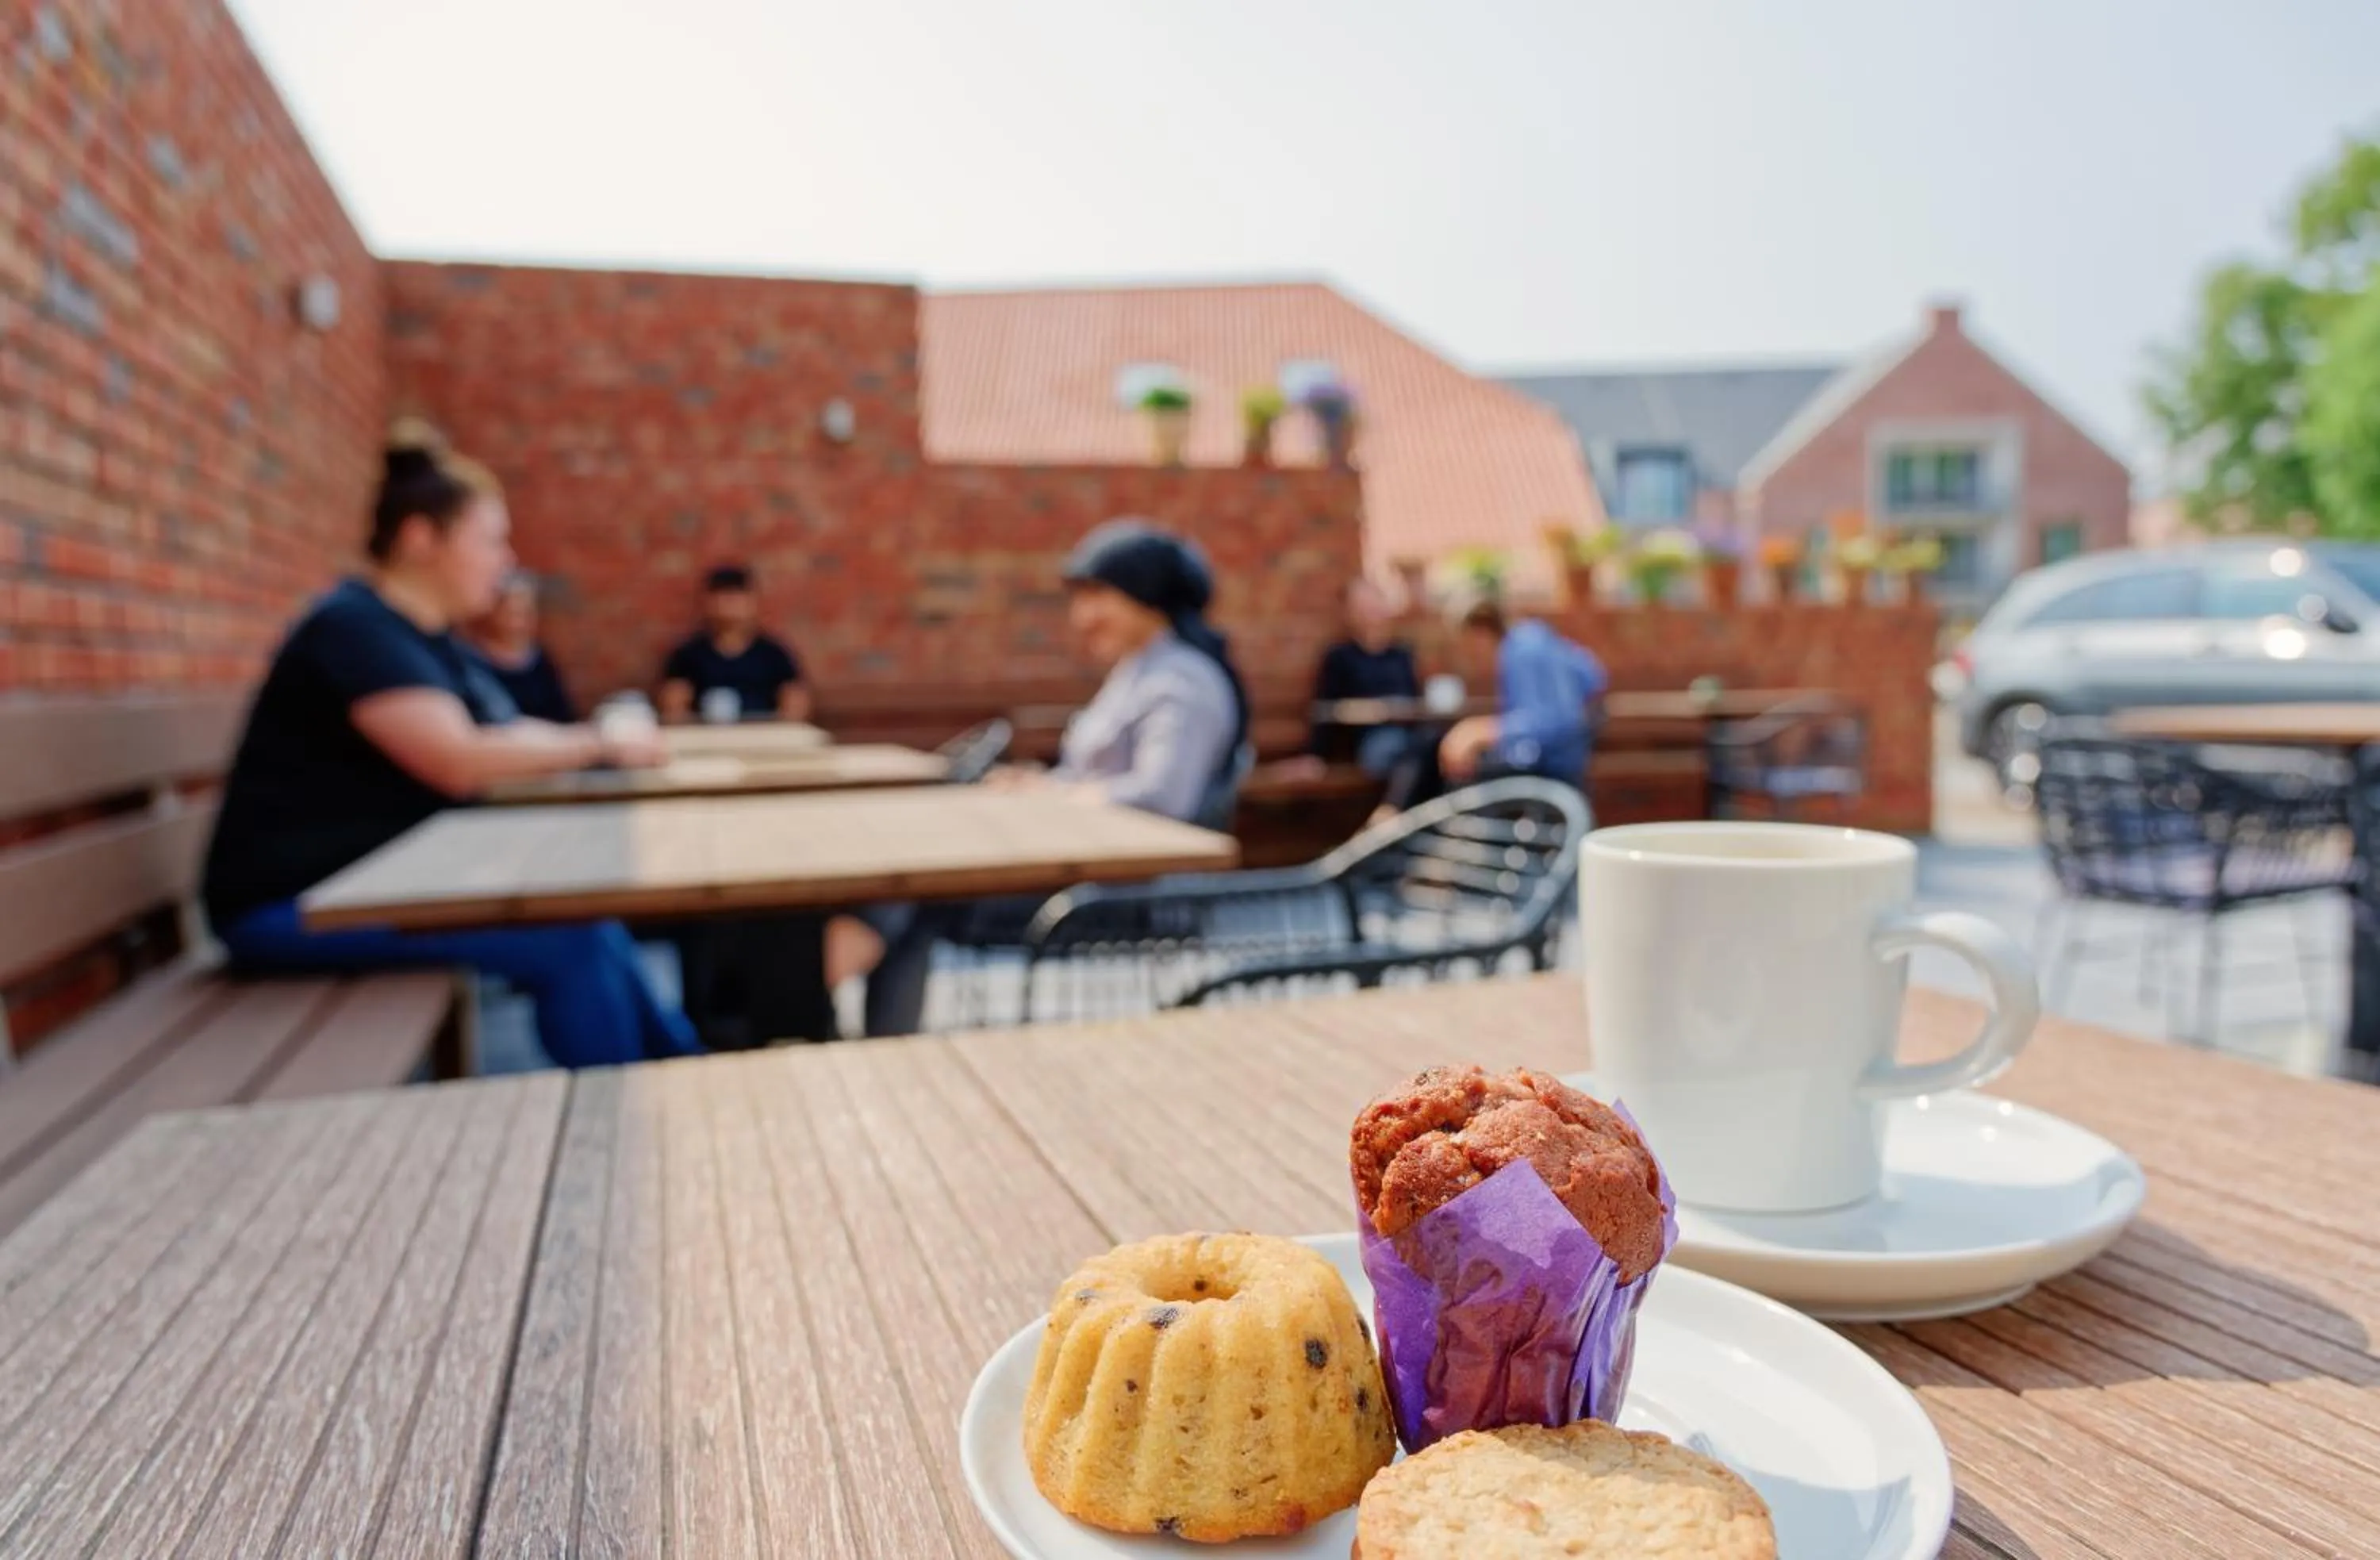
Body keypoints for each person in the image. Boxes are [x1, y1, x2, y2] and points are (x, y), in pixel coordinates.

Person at [201, 422, 700, 1070]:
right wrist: (599, 742)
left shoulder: (427, 640)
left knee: (586, 918)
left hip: (371, 889)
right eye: (491, 540)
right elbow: (459, 761)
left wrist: (602, 741)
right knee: (569, 939)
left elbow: (511, 733)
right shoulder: (353, 628)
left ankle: (685, 1075)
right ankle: (631, 1129)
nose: (507, 561)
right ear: (419, 538)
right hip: (288, 910)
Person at [856, 519, 1249, 1037]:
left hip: (1124, 898)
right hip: (1086, 873)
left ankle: (831, 1030)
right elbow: (1093, 778)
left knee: (911, 893)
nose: (1080, 616)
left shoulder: (1181, 681)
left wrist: (1050, 793)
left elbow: (1161, 800)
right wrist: (1038, 786)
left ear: (1146, 597)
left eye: (1095, 595)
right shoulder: (1141, 668)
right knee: (898, 883)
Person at [1284, 577, 1434, 813]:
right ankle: (1391, 815)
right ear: (1349, 612)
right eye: (1362, 605)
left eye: (1373, 602)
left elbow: (1415, 700)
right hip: (1370, 740)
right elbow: (1325, 708)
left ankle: (1393, 815)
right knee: (1412, 755)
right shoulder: (1340, 657)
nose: (1370, 611)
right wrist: (1315, 755)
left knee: (1430, 751)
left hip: (1407, 735)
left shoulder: (1402, 654)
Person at [1438, 598, 1608, 787]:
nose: (1470, 658)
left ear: (1481, 633)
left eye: (1470, 649)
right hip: (1552, 762)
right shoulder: (1522, 646)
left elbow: (1560, 718)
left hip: (1557, 768)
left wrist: (1484, 732)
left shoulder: (1525, 650)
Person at [658, 563, 810, 724]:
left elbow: (795, 704)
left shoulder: (773, 654)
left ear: (752, 601)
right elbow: (673, 708)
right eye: (723, 596)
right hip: (706, 739)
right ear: (707, 602)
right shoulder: (688, 655)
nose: (730, 604)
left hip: (763, 738)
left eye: (737, 596)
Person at [463, 570, 574, 724]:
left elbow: (560, 713)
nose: (517, 623)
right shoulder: (471, 661)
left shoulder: (538, 658)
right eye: (511, 613)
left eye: (525, 613)